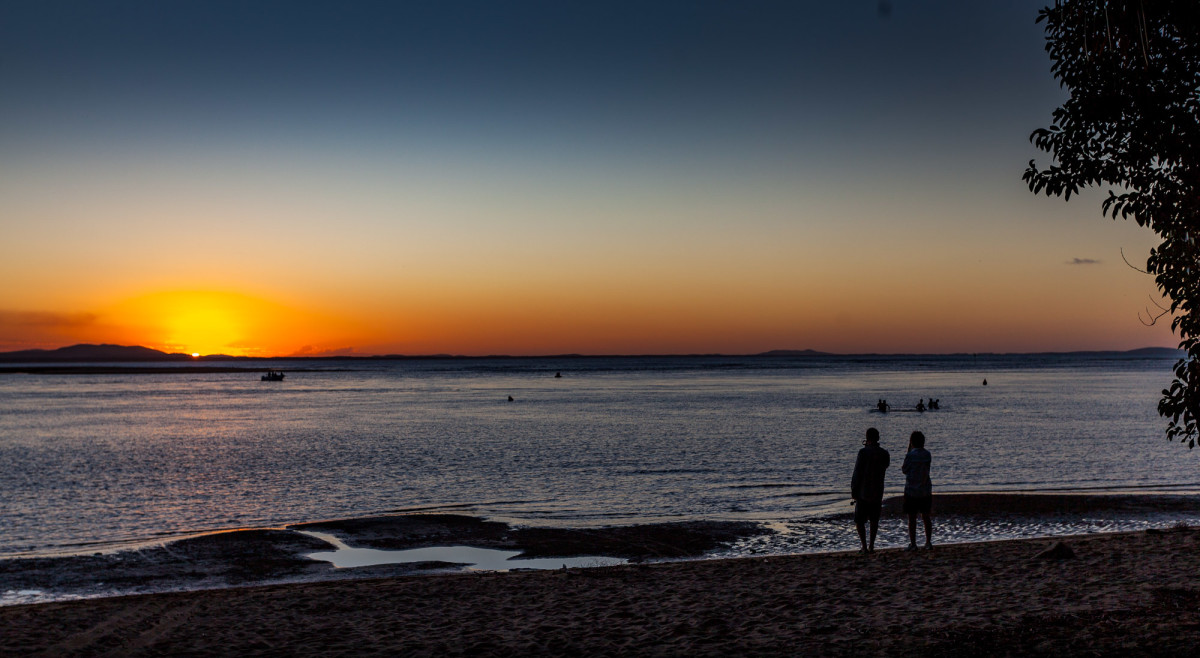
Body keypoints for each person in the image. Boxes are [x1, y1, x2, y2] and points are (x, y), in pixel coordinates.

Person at [851, 427, 890, 554]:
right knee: (874, 520)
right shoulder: (884, 453)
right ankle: (871, 545)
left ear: (867, 438)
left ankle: (864, 546)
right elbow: (886, 466)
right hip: (877, 490)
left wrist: (854, 489)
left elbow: (857, 472)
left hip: (863, 491)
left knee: (859, 520)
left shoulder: (862, 453)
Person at [901, 431, 933, 550]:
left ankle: (913, 544)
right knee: (926, 517)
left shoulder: (910, 455)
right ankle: (928, 542)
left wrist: (909, 450)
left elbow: (904, 469)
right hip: (925, 489)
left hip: (911, 490)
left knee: (912, 518)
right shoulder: (927, 454)